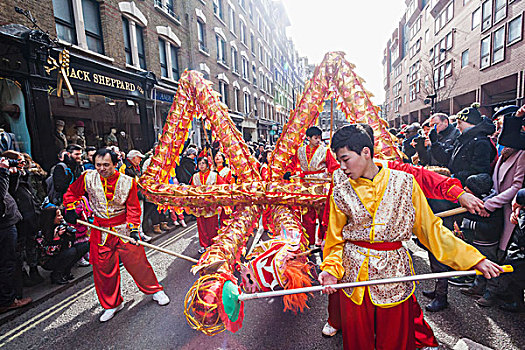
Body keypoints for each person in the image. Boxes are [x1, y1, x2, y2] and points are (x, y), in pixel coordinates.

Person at [319, 125, 503, 350]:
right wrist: (330, 269)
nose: (342, 167)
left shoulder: (404, 181)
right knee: (357, 342)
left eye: (346, 159)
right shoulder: (340, 190)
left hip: (393, 273)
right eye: (339, 161)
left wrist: (476, 260)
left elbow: (431, 231)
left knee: (395, 340)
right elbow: (335, 239)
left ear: (366, 152)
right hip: (354, 276)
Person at [63, 148, 169, 322]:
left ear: (115, 164)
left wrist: (134, 229)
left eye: (106, 165)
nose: (102, 168)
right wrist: (70, 208)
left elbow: (134, 207)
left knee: (138, 263)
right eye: (98, 165)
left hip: (123, 228)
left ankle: (155, 290)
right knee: (103, 269)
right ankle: (112, 304)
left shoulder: (128, 182)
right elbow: (71, 193)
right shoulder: (88, 177)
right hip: (100, 230)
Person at [285, 126, 339, 247]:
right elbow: (292, 164)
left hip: (321, 185)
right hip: (305, 186)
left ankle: (322, 239)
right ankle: (309, 242)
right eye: (315, 138)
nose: (318, 140)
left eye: (319, 138)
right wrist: (289, 172)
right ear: (308, 138)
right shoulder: (300, 151)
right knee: (307, 214)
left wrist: (336, 175)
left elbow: (333, 166)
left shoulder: (325, 151)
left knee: (323, 214)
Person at [458, 174, 503, 300]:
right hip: (477, 240)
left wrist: (466, 224)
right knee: (479, 265)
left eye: (468, 190)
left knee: (491, 268)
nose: (465, 190)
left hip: (487, 242)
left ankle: (491, 293)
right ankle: (477, 287)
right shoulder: (475, 201)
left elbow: (490, 228)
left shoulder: (490, 208)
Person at [430, 104, 497, 184]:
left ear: (471, 123)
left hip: (467, 188)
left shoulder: (481, 143)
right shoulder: (462, 139)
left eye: (459, 123)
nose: (457, 126)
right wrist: (435, 143)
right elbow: (446, 158)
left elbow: (479, 172)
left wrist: (454, 177)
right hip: (457, 185)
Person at [0, 157, 32, 314]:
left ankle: (12, 297)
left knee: (11, 261)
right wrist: (3, 172)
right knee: (7, 263)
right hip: (3, 226)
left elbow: (8, 191)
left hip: (8, 223)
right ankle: (8, 301)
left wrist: (12, 175)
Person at [37, 205, 89, 284]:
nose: (61, 217)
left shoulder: (61, 225)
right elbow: (50, 252)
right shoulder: (41, 233)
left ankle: (66, 271)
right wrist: (56, 238)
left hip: (63, 253)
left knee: (85, 245)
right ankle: (56, 275)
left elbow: (71, 241)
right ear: (51, 217)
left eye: (61, 214)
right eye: (58, 215)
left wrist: (68, 234)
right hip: (48, 261)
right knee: (71, 252)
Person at [191, 157, 225, 254]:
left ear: (207, 165)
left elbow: (221, 187)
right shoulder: (195, 176)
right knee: (201, 227)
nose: (201, 165)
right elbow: (192, 189)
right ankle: (204, 245)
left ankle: (213, 244)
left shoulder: (214, 175)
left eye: (203, 163)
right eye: (199, 163)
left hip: (211, 206)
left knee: (212, 226)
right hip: (199, 206)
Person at [120, 149, 152, 242]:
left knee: (140, 215)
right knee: (133, 216)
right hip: (131, 197)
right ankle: (134, 234)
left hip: (138, 195)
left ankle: (140, 233)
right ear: (134, 158)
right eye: (139, 158)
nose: (140, 160)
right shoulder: (125, 167)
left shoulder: (136, 166)